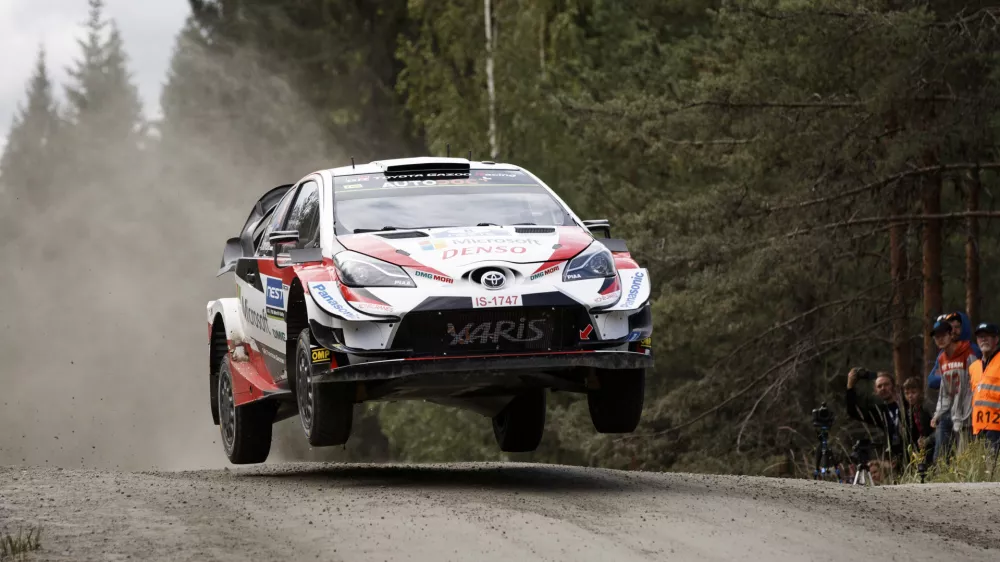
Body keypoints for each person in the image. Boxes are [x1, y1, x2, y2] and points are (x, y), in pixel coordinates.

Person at [930, 318, 975, 461]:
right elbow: (945, 392)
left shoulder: (967, 351)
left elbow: (975, 382)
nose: (940, 339)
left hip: (969, 413)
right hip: (953, 413)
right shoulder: (942, 359)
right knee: (945, 458)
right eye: (937, 337)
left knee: (965, 457)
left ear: (951, 335)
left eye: (943, 335)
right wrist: (937, 414)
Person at [846, 369, 903, 463]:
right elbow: (854, 411)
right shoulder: (880, 412)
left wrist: (874, 374)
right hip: (894, 459)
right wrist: (850, 386)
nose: (883, 388)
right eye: (879, 386)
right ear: (876, 391)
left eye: (886, 384)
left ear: (893, 386)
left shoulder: (905, 404)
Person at [928, 312, 981, 390]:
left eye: (957, 327)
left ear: (964, 328)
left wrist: (946, 376)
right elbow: (932, 380)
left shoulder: (973, 350)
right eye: (950, 328)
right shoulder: (942, 353)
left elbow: (977, 378)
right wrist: (953, 378)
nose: (953, 331)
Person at [970, 322, 1000, 451]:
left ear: (996, 339)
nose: (983, 339)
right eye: (980, 337)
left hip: (997, 429)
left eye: (987, 336)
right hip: (979, 429)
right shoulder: (973, 367)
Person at [902, 377, 935, 465]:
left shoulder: (927, 405)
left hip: (934, 443)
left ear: (920, 392)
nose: (910, 396)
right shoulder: (911, 410)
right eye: (907, 393)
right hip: (923, 447)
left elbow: (939, 427)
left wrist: (928, 440)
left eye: (913, 392)